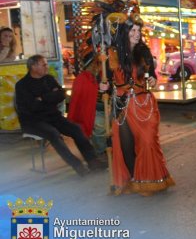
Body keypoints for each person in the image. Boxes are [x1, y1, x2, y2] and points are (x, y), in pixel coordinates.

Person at [108, 14, 175, 196]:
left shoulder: (143, 51)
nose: (137, 34)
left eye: (139, 30)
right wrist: (104, 85)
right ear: (125, 32)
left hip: (143, 104)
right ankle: (134, 179)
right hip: (122, 105)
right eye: (133, 30)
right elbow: (107, 80)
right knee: (125, 145)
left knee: (147, 141)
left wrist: (153, 77)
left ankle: (152, 178)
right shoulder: (112, 53)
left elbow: (151, 73)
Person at [14, 55, 107, 176]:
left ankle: (93, 161)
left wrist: (42, 98)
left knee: (76, 129)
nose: (47, 67)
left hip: (52, 117)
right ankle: (77, 166)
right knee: (54, 134)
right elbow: (31, 107)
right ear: (33, 67)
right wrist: (50, 97)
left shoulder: (48, 79)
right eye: (44, 65)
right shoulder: (22, 85)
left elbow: (61, 95)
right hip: (33, 121)